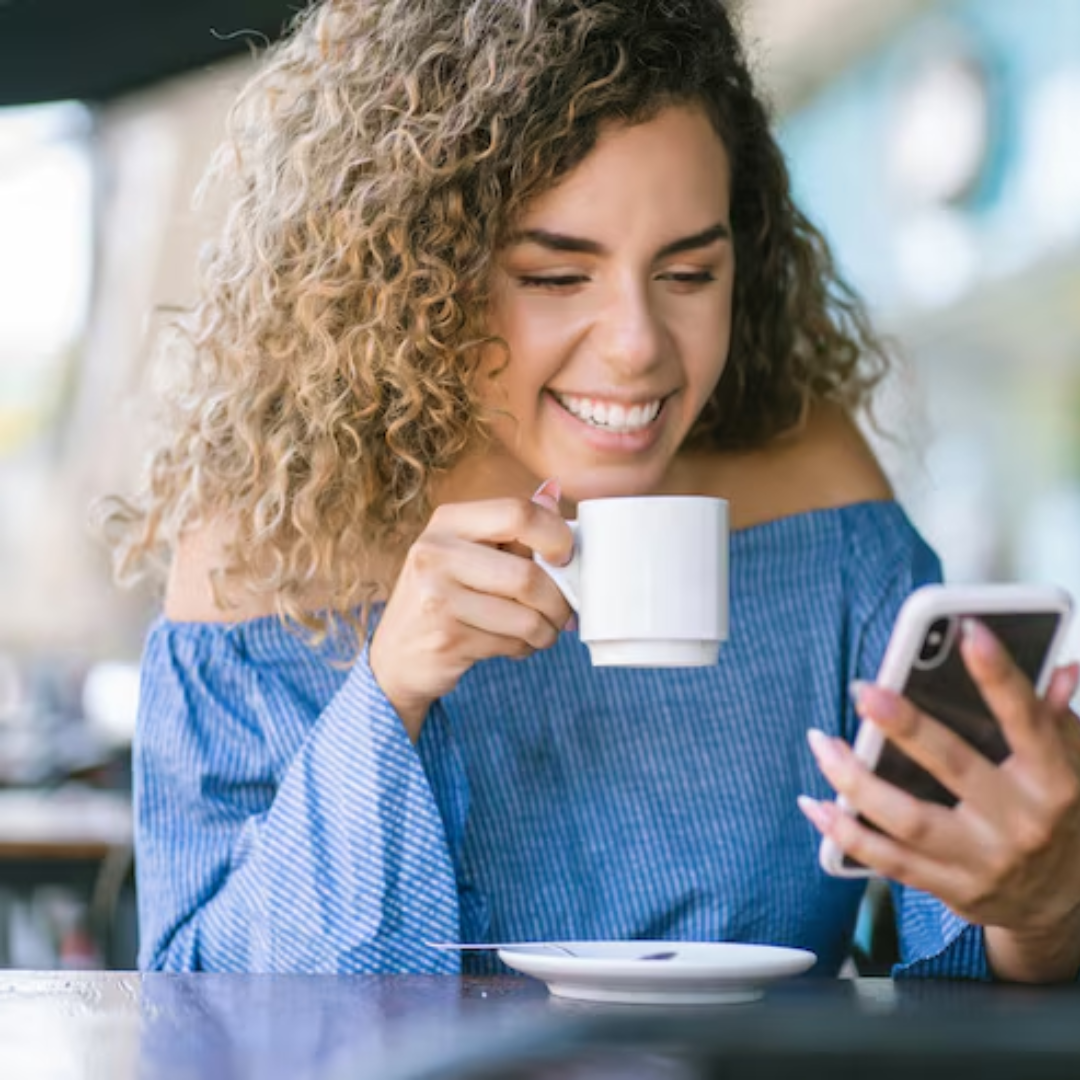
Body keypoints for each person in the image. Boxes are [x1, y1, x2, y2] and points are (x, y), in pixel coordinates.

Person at [105, 0, 1080, 981]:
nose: (640, 346)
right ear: (424, 273)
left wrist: (1041, 908)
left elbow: (962, 967)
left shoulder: (817, 496)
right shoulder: (268, 551)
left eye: (689, 272)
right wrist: (391, 689)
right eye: (557, 277)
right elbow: (199, 1009)